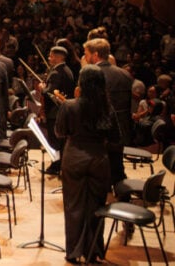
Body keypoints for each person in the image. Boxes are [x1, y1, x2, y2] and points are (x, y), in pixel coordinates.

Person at [55, 64, 118, 264]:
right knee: (96, 206)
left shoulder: (70, 105)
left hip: (74, 157)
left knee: (73, 206)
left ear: (81, 83)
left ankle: (74, 252)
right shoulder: (107, 108)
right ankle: (94, 251)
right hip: (99, 159)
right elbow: (116, 138)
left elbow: (59, 132)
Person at [83, 32, 133, 185]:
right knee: (117, 164)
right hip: (122, 127)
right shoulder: (125, 74)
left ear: (95, 55)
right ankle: (122, 193)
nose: (85, 58)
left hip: (101, 129)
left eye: (87, 54)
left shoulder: (92, 75)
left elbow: (89, 105)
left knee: (99, 169)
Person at [39, 45, 76, 174]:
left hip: (55, 112)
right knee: (60, 141)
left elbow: (49, 93)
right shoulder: (68, 70)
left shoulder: (56, 72)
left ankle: (55, 166)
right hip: (62, 111)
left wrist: (42, 87)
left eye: (51, 55)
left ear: (58, 57)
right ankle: (59, 165)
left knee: (55, 141)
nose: (49, 57)